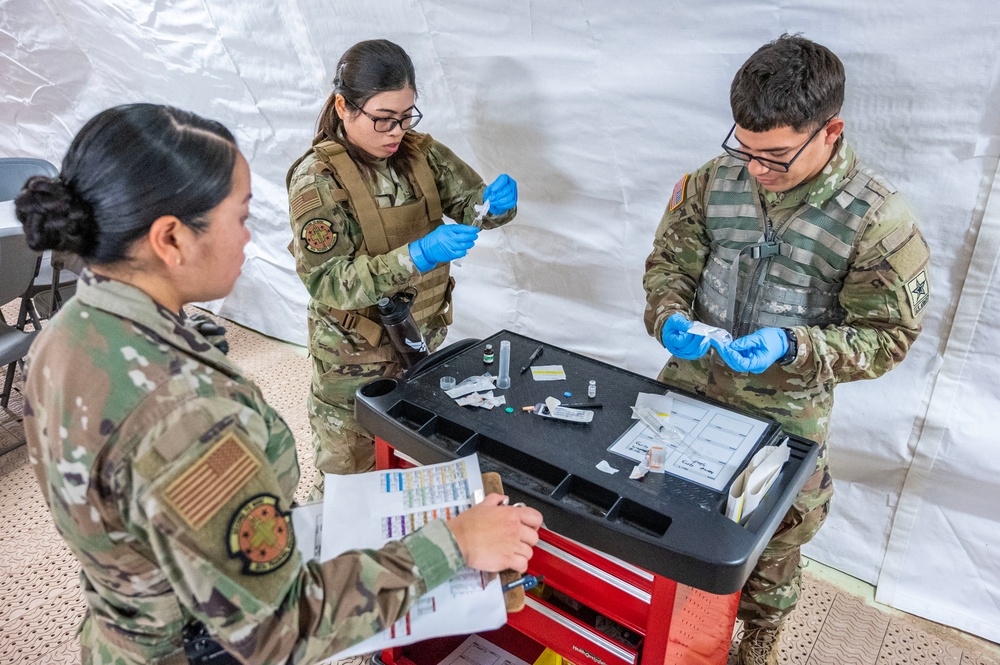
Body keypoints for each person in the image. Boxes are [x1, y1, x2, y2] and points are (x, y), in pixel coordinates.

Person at [16, 103, 542, 665]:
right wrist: (456, 543)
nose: (249, 237)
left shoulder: (68, 331)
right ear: (170, 239)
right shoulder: (188, 415)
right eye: (240, 216)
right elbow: (279, 628)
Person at [642, 35, 929, 665]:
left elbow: (888, 339)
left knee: (772, 538)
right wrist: (668, 318)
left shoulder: (876, 221)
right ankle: (659, 621)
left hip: (786, 413)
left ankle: (761, 636)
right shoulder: (711, 184)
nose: (755, 169)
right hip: (691, 383)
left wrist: (792, 346)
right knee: (660, 512)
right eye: (744, 149)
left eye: (774, 155)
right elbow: (668, 265)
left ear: (831, 131)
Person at [286, 39, 518, 485]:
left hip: (422, 340)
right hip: (354, 359)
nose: (396, 132)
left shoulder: (421, 153)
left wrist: (494, 204)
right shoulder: (317, 180)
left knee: (419, 464)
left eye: (406, 116)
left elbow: (472, 205)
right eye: (383, 119)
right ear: (343, 106)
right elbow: (327, 282)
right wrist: (417, 254)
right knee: (351, 477)